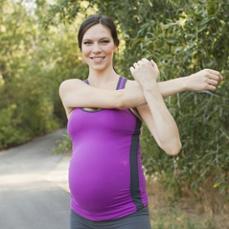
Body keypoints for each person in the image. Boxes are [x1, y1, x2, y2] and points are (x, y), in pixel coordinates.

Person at [59, 15, 223, 229]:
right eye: (88, 43)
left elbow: (172, 146)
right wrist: (185, 82)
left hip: (127, 217)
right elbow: (119, 99)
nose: (96, 49)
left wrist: (150, 88)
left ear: (116, 46)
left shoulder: (138, 94)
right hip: (80, 217)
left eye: (104, 41)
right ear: (81, 49)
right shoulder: (71, 88)